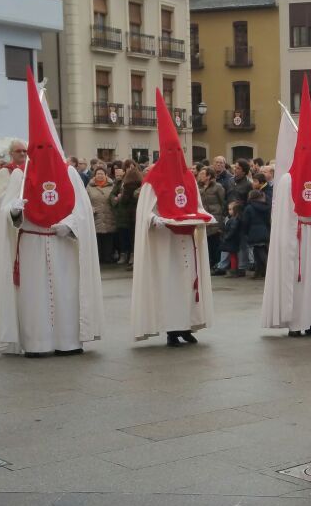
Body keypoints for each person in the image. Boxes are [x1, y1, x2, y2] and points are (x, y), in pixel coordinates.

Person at [0, 69, 104, 357]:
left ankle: (68, 341)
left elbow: (82, 211)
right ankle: (36, 343)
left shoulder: (71, 174)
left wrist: (70, 224)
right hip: (31, 243)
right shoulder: (19, 176)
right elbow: (6, 212)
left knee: (66, 293)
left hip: (63, 242)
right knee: (33, 296)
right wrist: (13, 212)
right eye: (34, 149)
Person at [131, 89, 215, 347]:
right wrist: (157, 221)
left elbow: (196, 204)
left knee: (190, 283)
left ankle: (188, 325)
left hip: (187, 239)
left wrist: (202, 216)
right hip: (165, 244)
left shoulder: (189, 177)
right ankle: (171, 329)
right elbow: (145, 213)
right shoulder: (153, 180)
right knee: (170, 285)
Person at [262, 82, 311, 335]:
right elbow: (282, 218)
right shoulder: (286, 181)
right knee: (297, 280)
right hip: (297, 240)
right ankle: (295, 322)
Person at [199, 167, 227, 275]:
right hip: (204, 217)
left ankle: (217, 263)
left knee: (215, 242)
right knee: (207, 242)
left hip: (215, 217)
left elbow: (222, 201)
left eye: (202, 174)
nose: (200, 176)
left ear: (208, 176)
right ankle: (209, 263)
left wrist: (221, 216)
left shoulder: (217, 187)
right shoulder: (200, 187)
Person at [87, 169, 117, 264]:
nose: (100, 175)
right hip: (96, 215)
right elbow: (85, 200)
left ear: (106, 175)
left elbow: (115, 199)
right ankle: (98, 258)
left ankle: (108, 257)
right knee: (97, 238)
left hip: (109, 214)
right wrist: (90, 207)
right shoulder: (89, 187)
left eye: (102, 174)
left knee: (108, 237)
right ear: (94, 175)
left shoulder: (112, 186)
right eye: (98, 174)